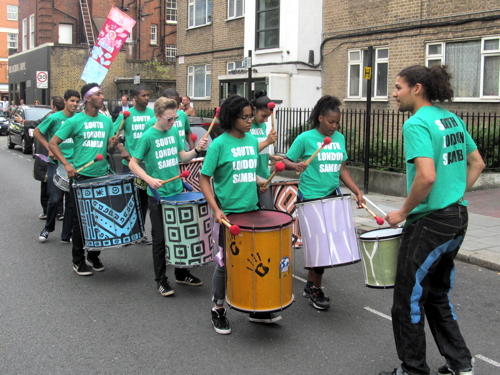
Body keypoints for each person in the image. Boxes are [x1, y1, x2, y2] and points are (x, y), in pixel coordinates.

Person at [379, 65, 485, 375]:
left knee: (406, 302)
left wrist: (403, 212)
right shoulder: (450, 118)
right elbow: (477, 163)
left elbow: (426, 177)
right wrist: (452, 194)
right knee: (436, 295)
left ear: (417, 89)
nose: (394, 94)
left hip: (430, 223)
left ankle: (413, 370)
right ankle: (460, 364)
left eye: (398, 87)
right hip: (457, 217)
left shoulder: (416, 124)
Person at [199, 95, 278, 335]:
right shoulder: (219, 144)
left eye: (249, 116)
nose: (249, 120)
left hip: (251, 210)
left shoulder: (253, 141)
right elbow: (204, 178)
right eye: (244, 117)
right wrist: (215, 208)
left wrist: (261, 183)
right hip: (229, 214)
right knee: (224, 263)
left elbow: (247, 172)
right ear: (231, 118)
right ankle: (218, 308)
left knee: (253, 259)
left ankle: (255, 308)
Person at [282, 95, 364, 310]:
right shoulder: (305, 139)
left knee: (324, 245)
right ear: (320, 118)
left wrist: (356, 191)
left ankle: (311, 285)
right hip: (310, 198)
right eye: (331, 122)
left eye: (337, 122)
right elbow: (284, 162)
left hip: (331, 196)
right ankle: (314, 288)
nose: (334, 126)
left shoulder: (339, 139)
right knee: (320, 245)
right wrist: (296, 166)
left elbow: (342, 169)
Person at [129, 97, 208, 296]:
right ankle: (161, 280)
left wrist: (197, 149)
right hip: (158, 195)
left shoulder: (173, 132)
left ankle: (182, 273)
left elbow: (182, 157)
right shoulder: (148, 136)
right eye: (169, 119)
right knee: (160, 239)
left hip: (176, 191)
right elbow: (133, 163)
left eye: (174, 119)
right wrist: (148, 179)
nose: (173, 123)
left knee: (180, 235)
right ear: (157, 116)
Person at [49, 83, 118, 276]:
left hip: (101, 175)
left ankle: (93, 256)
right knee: (81, 221)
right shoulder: (74, 121)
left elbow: (108, 151)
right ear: (88, 98)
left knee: (100, 220)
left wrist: (112, 145)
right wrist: (66, 165)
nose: (102, 97)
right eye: (98, 94)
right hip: (81, 176)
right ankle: (78, 260)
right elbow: (53, 143)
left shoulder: (106, 121)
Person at [35, 90, 80, 243]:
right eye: (72, 101)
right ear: (66, 101)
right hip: (56, 164)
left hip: (73, 165)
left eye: (77, 101)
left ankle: (67, 234)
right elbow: (37, 132)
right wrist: (49, 147)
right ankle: (48, 228)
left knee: (71, 203)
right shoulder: (54, 118)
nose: (75, 104)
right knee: (54, 199)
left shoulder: (78, 119)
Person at [113, 86, 154, 245]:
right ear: (134, 99)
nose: (147, 98)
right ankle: (126, 233)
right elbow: (113, 135)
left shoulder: (152, 114)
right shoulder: (126, 115)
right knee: (128, 200)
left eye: (148, 95)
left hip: (147, 165)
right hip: (130, 165)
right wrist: (122, 149)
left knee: (144, 200)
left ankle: (141, 232)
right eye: (143, 95)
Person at [250, 90, 282, 180]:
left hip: (265, 174)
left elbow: (260, 151)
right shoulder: (246, 127)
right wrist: (267, 142)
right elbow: (249, 151)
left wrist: (271, 157)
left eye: (268, 116)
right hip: (252, 176)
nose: (266, 120)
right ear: (254, 110)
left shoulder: (262, 125)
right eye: (263, 116)